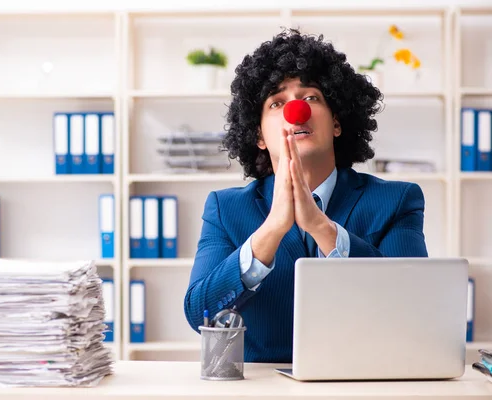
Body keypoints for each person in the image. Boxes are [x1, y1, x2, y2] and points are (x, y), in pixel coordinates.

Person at [183, 28, 429, 363]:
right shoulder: (226, 209)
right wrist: (270, 231)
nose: (295, 111)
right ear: (258, 136)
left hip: (363, 384)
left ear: (337, 123)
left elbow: (415, 308)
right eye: (277, 103)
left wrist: (322, 228)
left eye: (311, 97)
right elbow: (200, 314)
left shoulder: (397, 201)